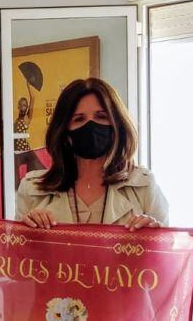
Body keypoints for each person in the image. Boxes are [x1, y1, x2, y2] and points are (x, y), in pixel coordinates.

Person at [17, 77, 167, 229]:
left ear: (117, 125)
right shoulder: (31, 190)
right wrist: (26, 234)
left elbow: (168, 249)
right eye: (79, 119)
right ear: (64, 131)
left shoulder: (144, 187)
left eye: (101, 116)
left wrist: (157, 239)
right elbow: (13, 251)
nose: (90, 125)